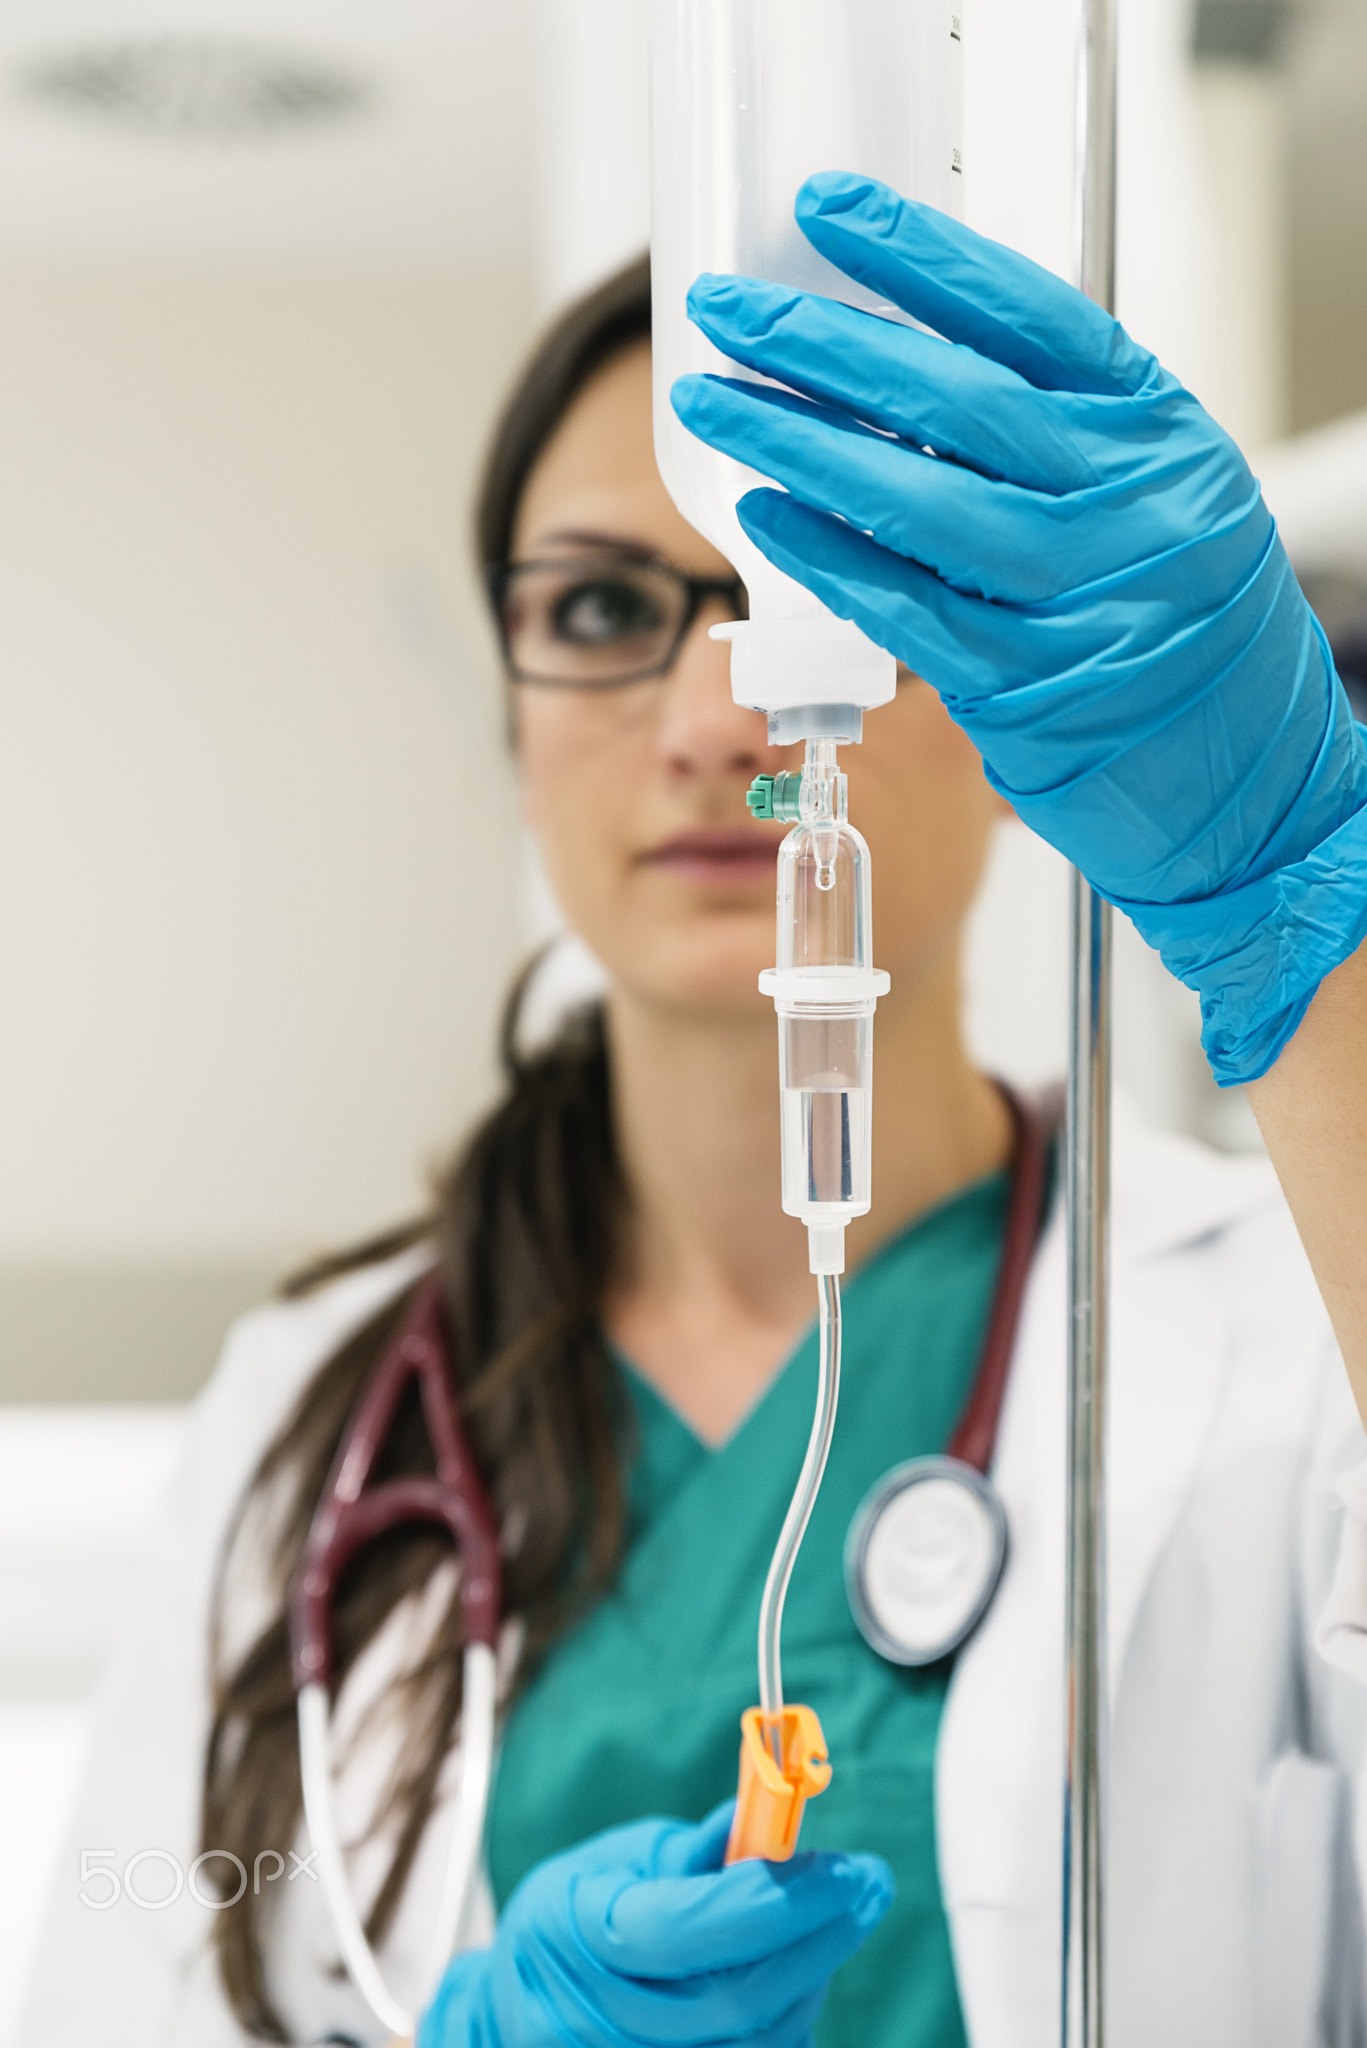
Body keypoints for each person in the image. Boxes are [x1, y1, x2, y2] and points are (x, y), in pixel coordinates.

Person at [20, 181, 1367, 2048]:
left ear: (1002, 697)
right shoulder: (309, 1408)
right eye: (599, 609)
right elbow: (123, 1973)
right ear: (508, 717)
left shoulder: (1288, 1323)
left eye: (807, 592)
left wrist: (1317, 911)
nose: (719, 717)